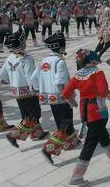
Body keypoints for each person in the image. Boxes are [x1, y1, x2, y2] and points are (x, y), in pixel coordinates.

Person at [62, 50, 110, 186]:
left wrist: (73, 102)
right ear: (93, 61)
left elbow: (65, 93)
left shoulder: (78, 75)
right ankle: (76, 177)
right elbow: (104, 92)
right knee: (90, 142)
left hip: (85, 111)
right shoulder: (97, 72)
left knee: (100, 132)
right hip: (98, 111)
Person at [29, 31, 78, 164]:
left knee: (61, 121)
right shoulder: (60, 62)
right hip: (61, 97)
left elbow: (33, 78)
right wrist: (69, 98)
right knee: (65, 122)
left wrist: (40, 89)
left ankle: (70, 143)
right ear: (61, 47)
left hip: (50, 97)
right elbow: (60, 82)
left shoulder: (44, 60)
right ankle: (48, 149)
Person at [0, 28, 49, 148]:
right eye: (24, 42)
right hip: (28, 91)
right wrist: (37, 89)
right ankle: (13, 135)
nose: (25, 43)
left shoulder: (10, 57)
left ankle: (37, 133)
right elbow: (30, 77)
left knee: (26, 113)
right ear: (21, 45)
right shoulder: (27, 59)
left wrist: (12, 80)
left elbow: (3, 75)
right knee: (33, 114)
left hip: (16, 91)